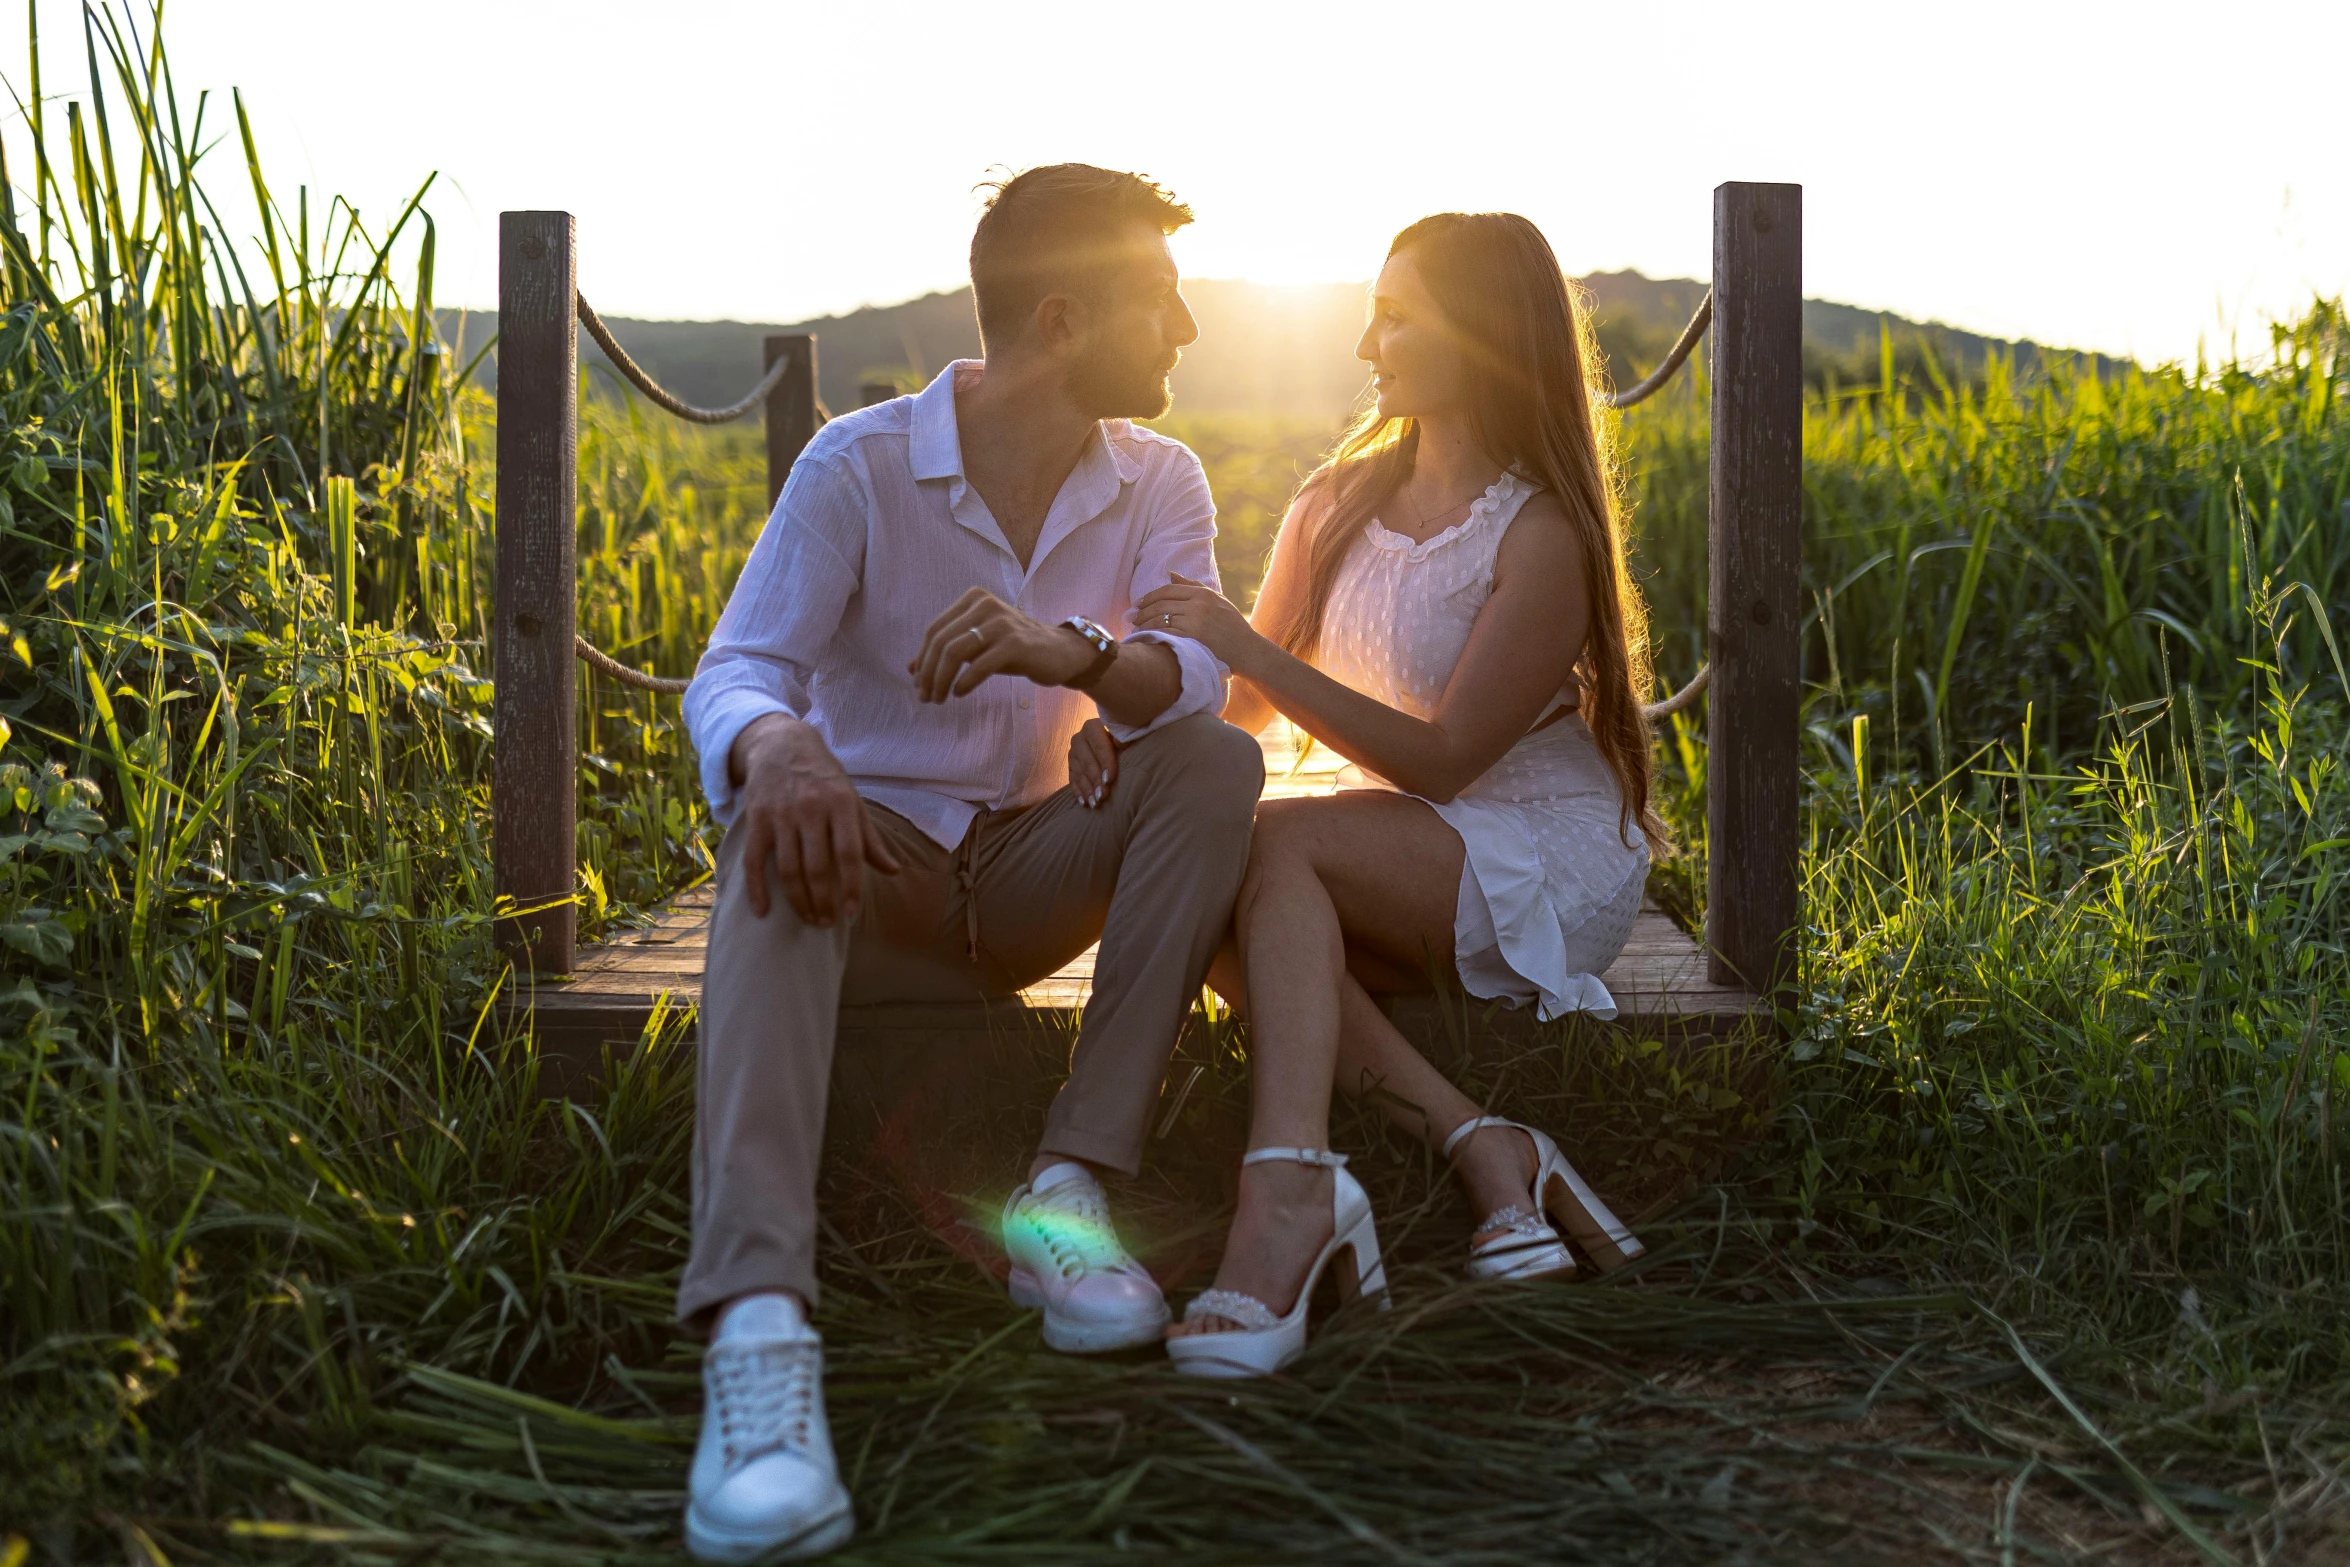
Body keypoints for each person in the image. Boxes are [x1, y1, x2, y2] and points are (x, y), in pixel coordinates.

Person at [675, 164, 1263, 1560]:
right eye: (1162, 301)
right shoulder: (860, 465)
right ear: (1062, 318)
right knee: (773, 800)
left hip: (1028, 866)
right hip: (867, 861)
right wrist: (782, 746)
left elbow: (1196, 683)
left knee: (1210, 758)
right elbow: (737, 669)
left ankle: (1065, 1195)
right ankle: (759, 1330)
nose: (1185, 330)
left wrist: (1066, 650)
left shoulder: (1159, 478)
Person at [1071, 212, 1663, 1379]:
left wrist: (1252, 646)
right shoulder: (1334, 500)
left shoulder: (1542, 535)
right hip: (1407, 847)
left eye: (1397, 315)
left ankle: (1283, 1195)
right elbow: (1242, 706)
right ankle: (1480, 1143)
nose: (1364, 342)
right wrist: (1122, 732)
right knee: (1223, 872)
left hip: (1538, 849)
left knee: (1271, 850)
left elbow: (1444, 760)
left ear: (1484, 336)